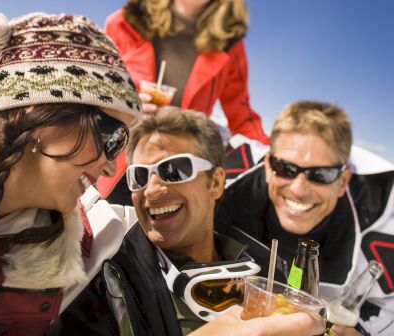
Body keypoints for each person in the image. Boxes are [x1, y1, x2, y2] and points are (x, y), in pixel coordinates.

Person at [0, 11, 142, 335]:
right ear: (37, 110)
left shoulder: (55, 263)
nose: (111, 166)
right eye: (112, 136)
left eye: (122, 145)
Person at [60, 108, 325, 336]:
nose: (151, 190)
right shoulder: (103, 274)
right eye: (139, 176)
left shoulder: (269, 267)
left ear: (216, 183)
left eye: (173, 170)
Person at [215, 101, 394, 336]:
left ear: (342, 181)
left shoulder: (384, 223)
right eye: (285, 168)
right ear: (268, 166)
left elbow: (388, 308)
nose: (299, 189)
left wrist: (361, 331)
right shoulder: (227, 180)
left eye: (321, 174)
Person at [97, 0, 269, 204]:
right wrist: (123, 104)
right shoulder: (126, 22)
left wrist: (275, 157)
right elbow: (94, 90)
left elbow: (241, 114)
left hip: (177, 171)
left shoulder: (228, 44)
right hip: (117, 161)